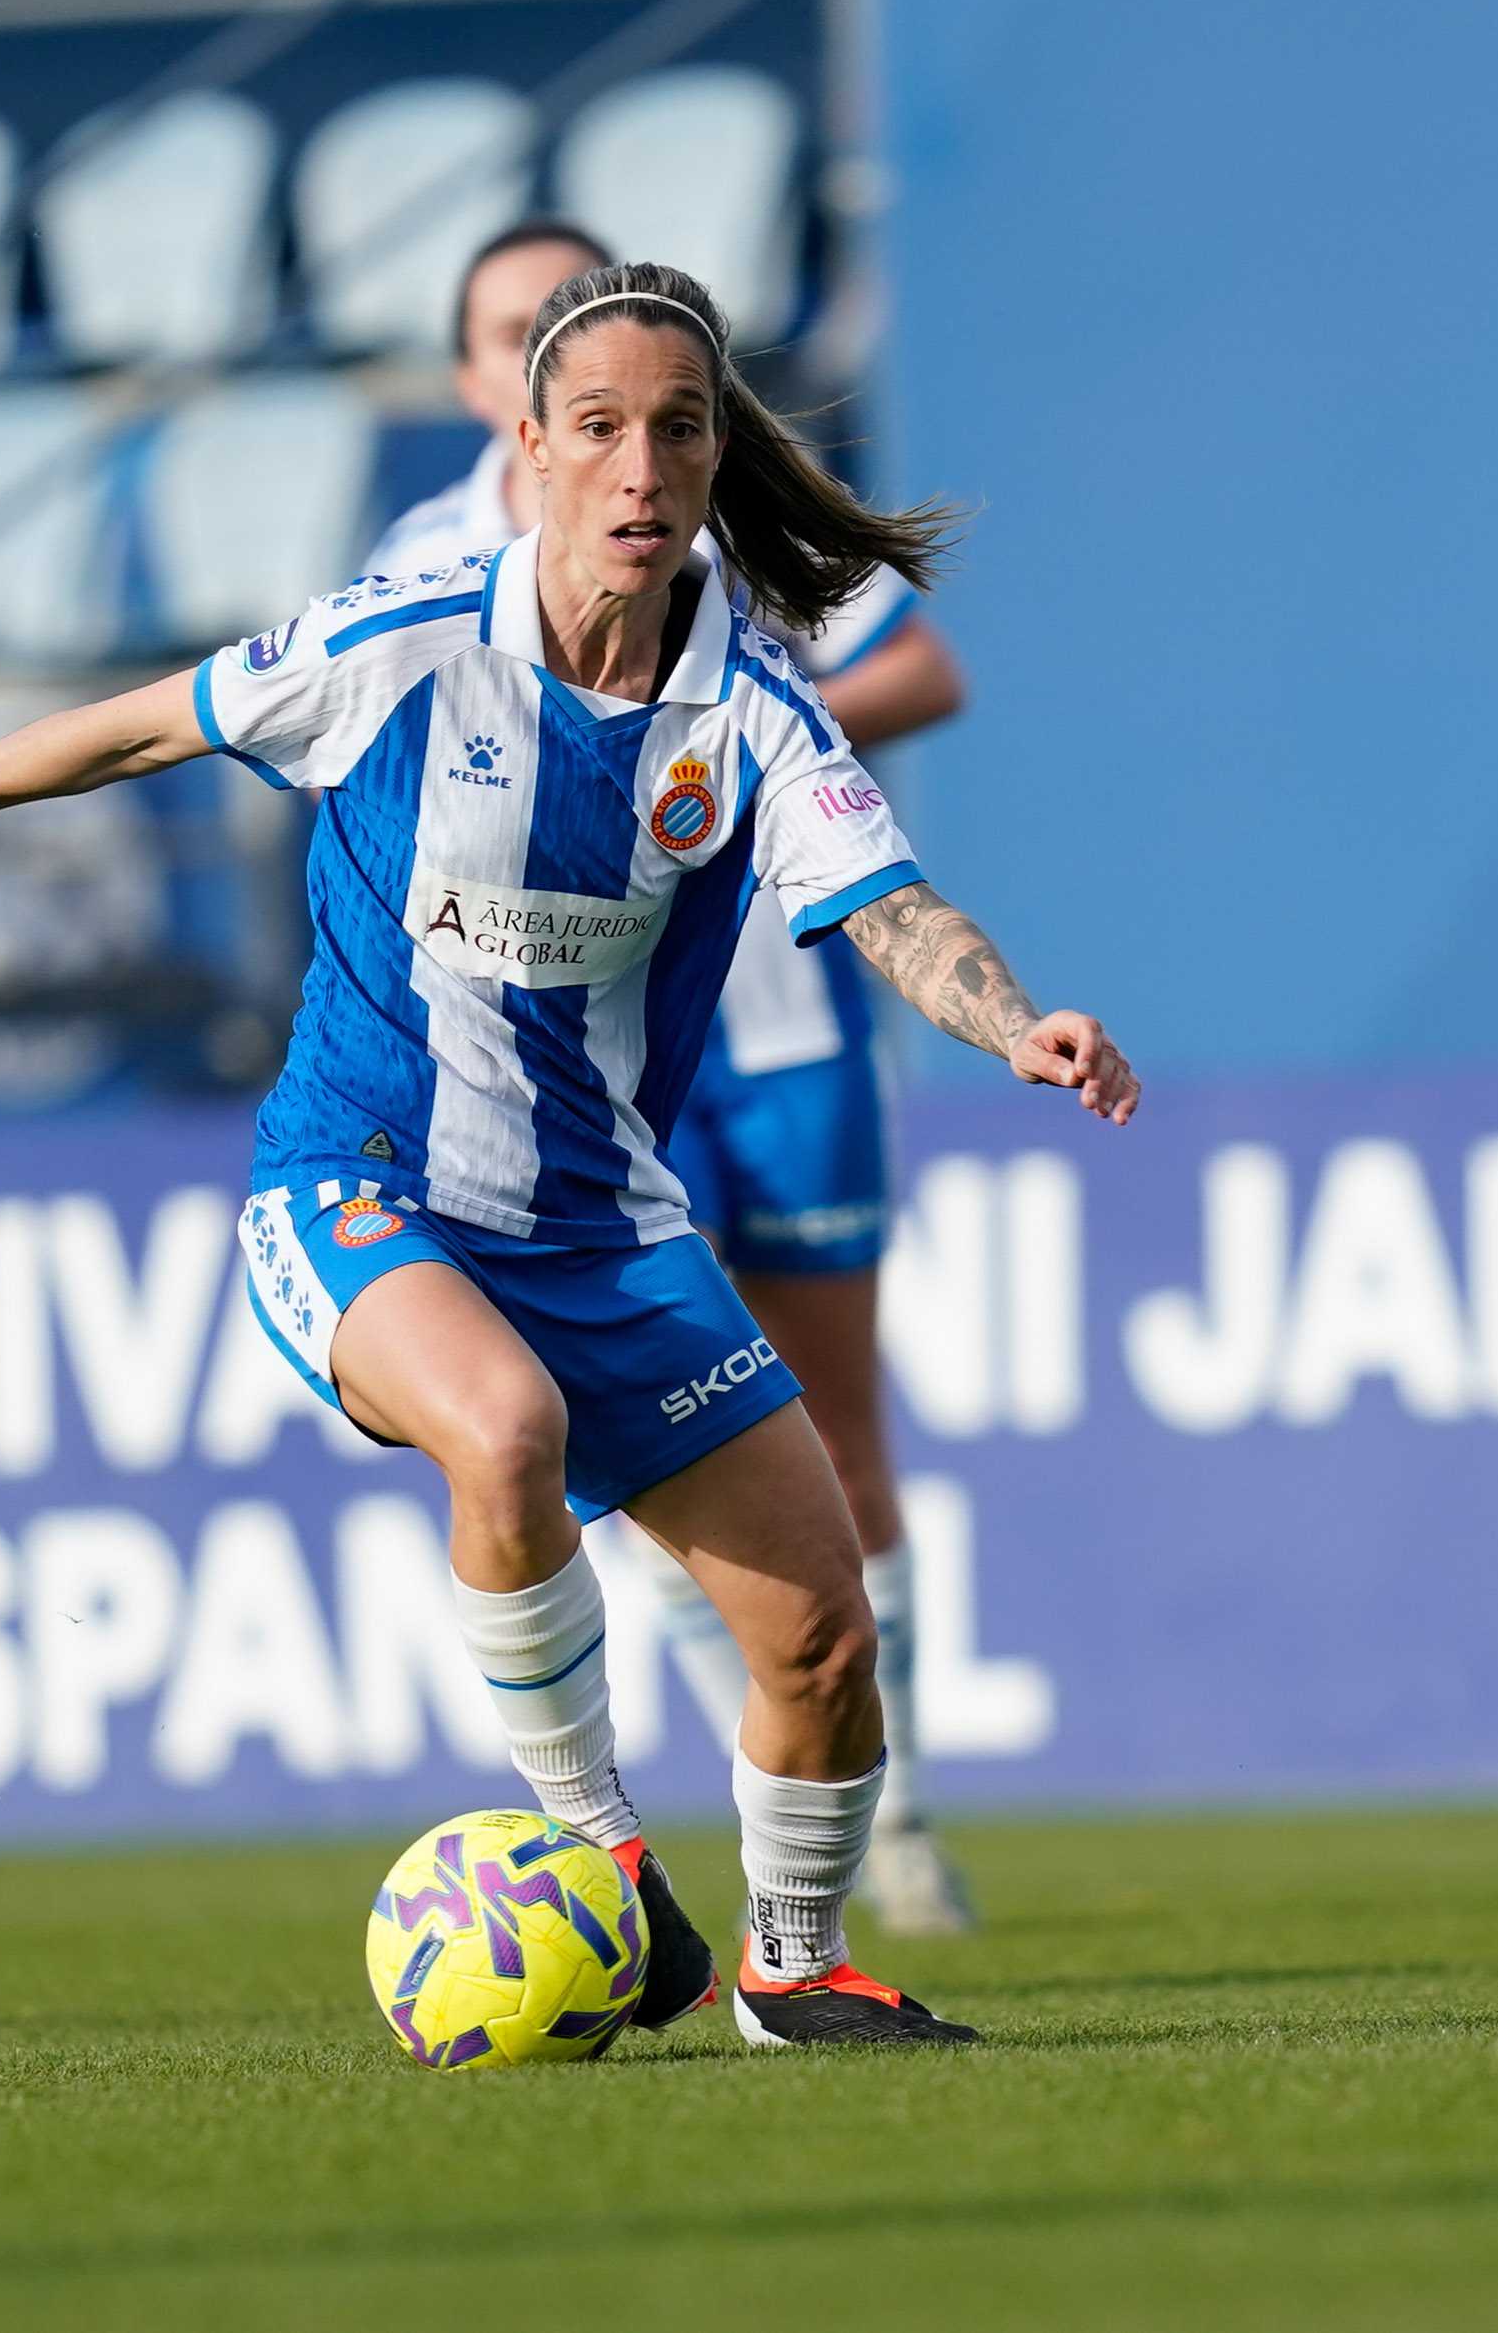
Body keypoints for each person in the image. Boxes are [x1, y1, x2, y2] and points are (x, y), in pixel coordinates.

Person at [0, 260, 1138, 2047]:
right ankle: (604, 1859)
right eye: (601, 428)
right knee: (502, 1428)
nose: (640, 469)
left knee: (824, 1636)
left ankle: (792, 1965)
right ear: (533, 444)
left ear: (718, 454)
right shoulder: (400, 639)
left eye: (679, 430)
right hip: (358, 1184)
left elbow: (892, 907)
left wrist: (1018, 1020)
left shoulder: (752, 705)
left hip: (605, 1227)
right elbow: (142, 724)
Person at [365, 222, 982, 1932]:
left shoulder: (716, 536)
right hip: (565, 1078)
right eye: (513, 329)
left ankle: (895, 1807)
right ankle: (745, 1795)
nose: (556, 354)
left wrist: (736, 761)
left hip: (776, 1021)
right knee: (657, 1446)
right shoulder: (424, 566)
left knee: (833, 1426)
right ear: (490, 385)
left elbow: (922, 663)